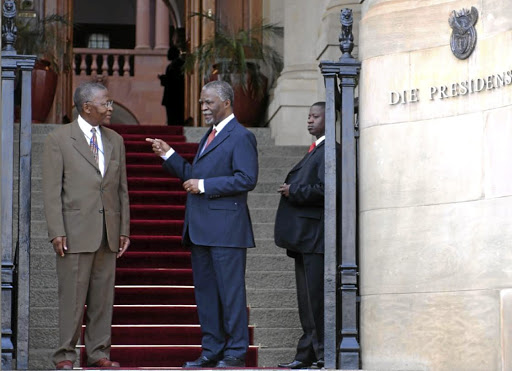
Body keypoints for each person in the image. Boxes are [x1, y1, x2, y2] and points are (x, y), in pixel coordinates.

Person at [146, 80, 258, 368]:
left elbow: (247, 179)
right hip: (200, 231)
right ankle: (212, 349)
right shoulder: (210, 135)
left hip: (227, 231)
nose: (203, 107)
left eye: (208, 102)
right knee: (206, 295)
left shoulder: (240, 136)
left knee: (230, 295)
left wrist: (205, 184)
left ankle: (235, 352)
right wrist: (168, 154)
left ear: (226, 102)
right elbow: (192, 177)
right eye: (202, 102)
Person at [42, 82, 130, 370]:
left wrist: (124, 228)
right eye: (106, 102)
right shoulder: (59, 139)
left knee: (103, 299)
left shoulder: (115, 139)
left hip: (107, 232)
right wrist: (56, 230)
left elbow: (121, 190)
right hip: (74, 232)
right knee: (72, 298)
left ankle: (98, 353)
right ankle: (65, 355)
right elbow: (52, 191)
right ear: (87, 107)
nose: (110, 107)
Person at [274, 102, 328, 369]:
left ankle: (321, 355)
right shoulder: (315, 149)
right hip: (304, 239)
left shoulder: (330, 150)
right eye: (308, 116)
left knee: (315, 300)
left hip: (315, 238)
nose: (309, 120)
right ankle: (307, 354)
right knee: (305, 301)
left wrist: (293, 190)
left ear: (329, 119)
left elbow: (326, 188)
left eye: (315, 116)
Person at [158, 45, 185, 125]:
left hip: (173, 96)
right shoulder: (175, 65)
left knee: (173, 116)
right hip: (174, 96)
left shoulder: (174, 65)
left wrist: (163, 78)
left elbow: (173, 80)